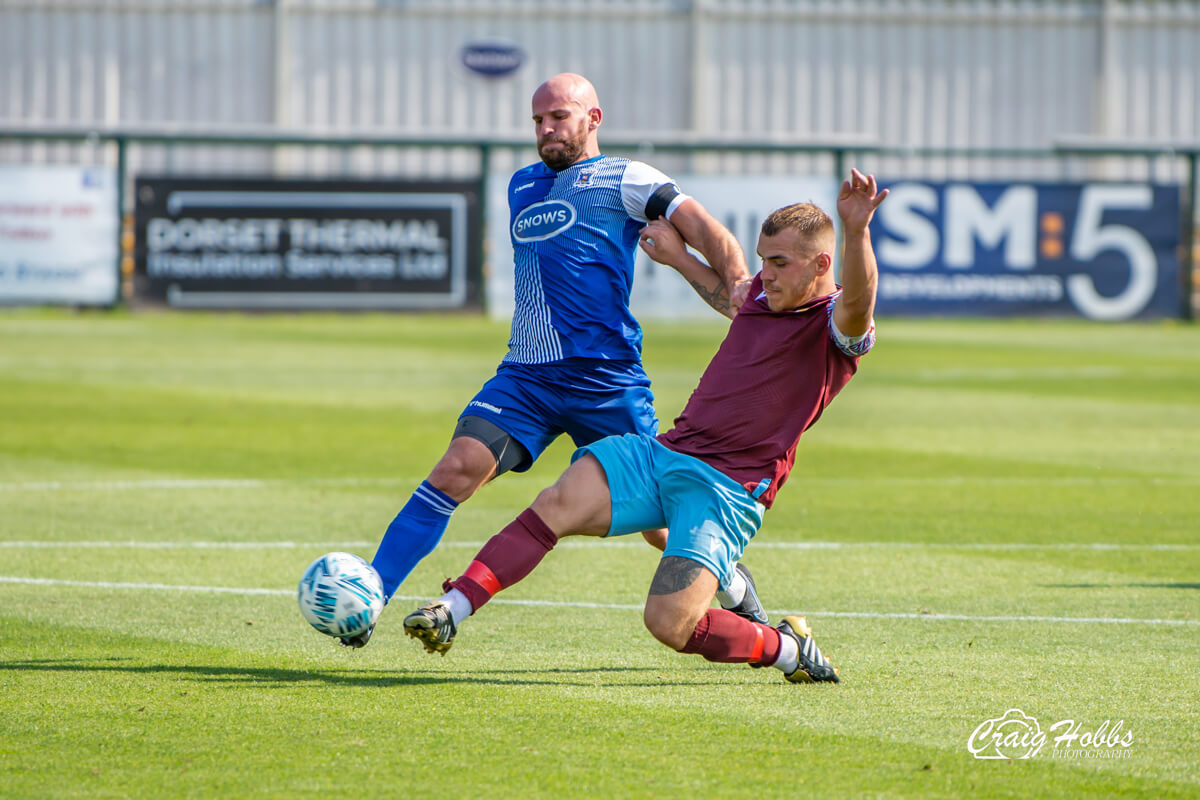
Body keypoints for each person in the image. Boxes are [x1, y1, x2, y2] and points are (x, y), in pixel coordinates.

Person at [401, 169, 888, 684]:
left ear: (821, 264)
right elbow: (732, 300)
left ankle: (787, 649)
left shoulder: (837, 325)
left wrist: (856, 230)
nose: (763, 273)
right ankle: (452, 608)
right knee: (556, 502)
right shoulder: (766, 298)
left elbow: (858, 302)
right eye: (763, 259)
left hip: (726, 488)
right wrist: (680, 260)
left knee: (669, 624)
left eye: (779, 263)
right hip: (665, 455)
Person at [346, 73, 764, 648]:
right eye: (538, 120)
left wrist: (739, 279)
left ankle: (740, 596)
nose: (546, 129)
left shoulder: (628, 178)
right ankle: (371, 597)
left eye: (559, 117)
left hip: (607, 381)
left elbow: (706, 230)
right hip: (527, 380)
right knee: (456, 469)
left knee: (662, 524)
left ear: (593, 119)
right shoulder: (521, 184)